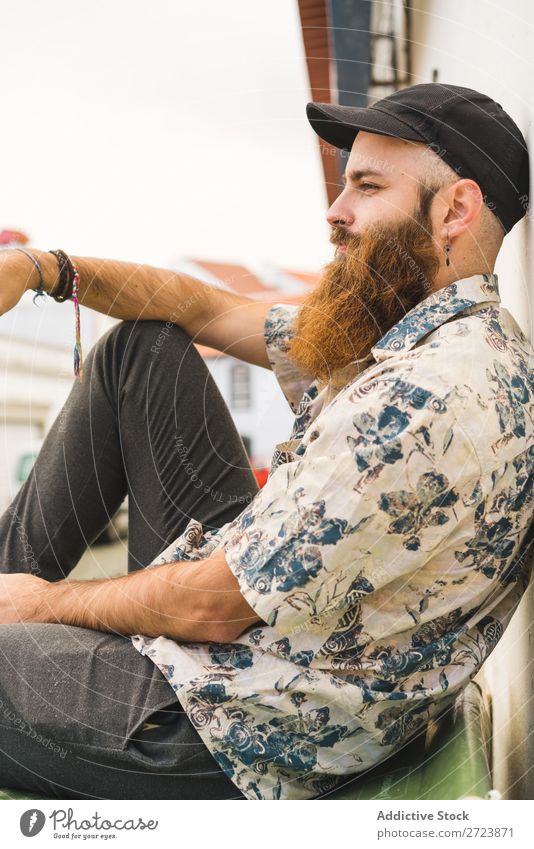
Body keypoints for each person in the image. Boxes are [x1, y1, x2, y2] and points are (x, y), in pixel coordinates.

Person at [0, 82, 532, 801]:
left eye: (367, 187)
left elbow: (212, 607)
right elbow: (207, 307)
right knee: (143, 350)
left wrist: (43, 602)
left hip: (237, 726)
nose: (336, 213)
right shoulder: (420, 336)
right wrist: (48, 268)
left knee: (31, 614)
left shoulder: (425, 397)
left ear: (455, 210)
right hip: (271, 643)